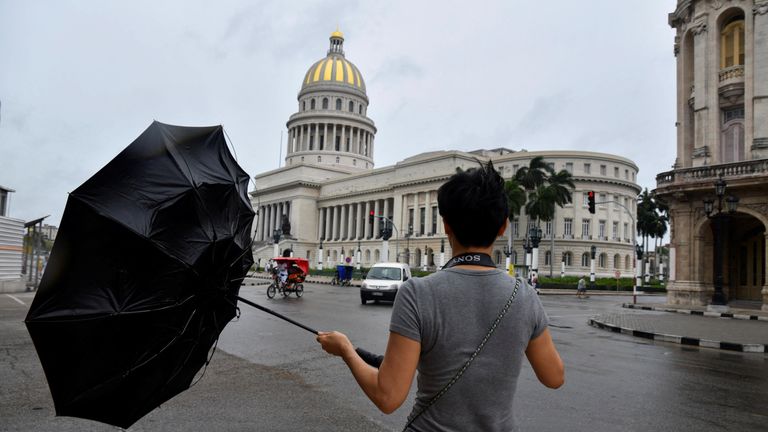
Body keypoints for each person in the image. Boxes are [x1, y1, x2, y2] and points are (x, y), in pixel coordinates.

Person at [317, 161, 564, 431]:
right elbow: (554, 377)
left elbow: (388, 397)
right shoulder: (525, 296)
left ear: (446, 226)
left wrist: (346, 350)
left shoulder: (418, 293)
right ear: (503, 226)